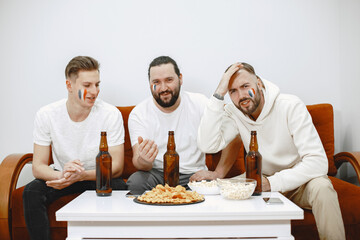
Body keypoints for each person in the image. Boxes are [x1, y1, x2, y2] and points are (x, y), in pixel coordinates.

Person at [197, 62, 345, 240]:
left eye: (245, 86)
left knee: (323, 188)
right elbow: (207, 145)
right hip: (259, 178)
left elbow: (318, 161)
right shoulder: (234, 112)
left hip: (299, 180)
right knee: (215, 192)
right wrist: (218, 94)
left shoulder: (290, 105)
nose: (241, 95)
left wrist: (271, 183)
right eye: (232, 91)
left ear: (259, 83)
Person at [23, 56, 127, 240]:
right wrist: (62, 176)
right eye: (87, 85)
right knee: (31, 191)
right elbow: (38, 166)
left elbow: (117, 168)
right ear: (69, 86)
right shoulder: (47, 115)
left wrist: (82, 175)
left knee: (120, 186)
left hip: (94, 177)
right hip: (63, 175)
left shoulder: (110, 114)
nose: (95, 91)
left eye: (97, 84)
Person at [127, 56, 239, 192]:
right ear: (150, 83)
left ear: (180, 79)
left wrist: (218, 173)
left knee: (211, 187)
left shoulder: (200, 103)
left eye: (169, 80)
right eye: (156, 82)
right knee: (136, 182)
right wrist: (145, 160)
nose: (163, 88)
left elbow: (234, 136)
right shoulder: (139, 113)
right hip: (157, 174)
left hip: (193, 175)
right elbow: (139, 162)